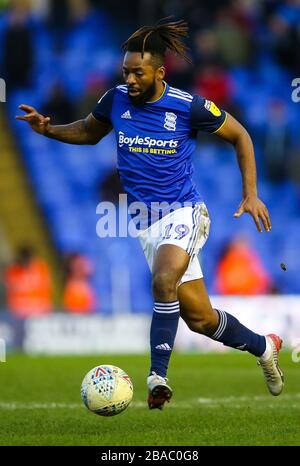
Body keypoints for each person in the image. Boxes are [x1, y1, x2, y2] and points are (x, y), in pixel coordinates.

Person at [16, 19, 284, 410]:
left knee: (163, 282)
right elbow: (90, 132)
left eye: (137, 72)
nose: (130, 79)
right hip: (146, 223)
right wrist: (49, 130)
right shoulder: (115, 100)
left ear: (159, 72)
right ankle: (265, 346)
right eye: (125, 71)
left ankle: (157, 377)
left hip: (185, 211)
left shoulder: (186, 105)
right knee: (201, 319)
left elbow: (240, 135)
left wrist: (251, 194)